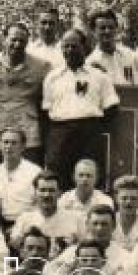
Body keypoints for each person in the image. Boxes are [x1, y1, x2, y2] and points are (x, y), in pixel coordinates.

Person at [41, 29, 120, 183]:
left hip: (89, 134)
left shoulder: (99, 76)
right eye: (66, 46)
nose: (69, 50)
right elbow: (46, 111)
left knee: (88, 177)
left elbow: (112, 108)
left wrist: (92, 127)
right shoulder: (52, 77)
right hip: (60, 133)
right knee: (58, 177)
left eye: (74, 46)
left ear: (85, 48)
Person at [0, 22, 49, 165]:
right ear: (4, 39)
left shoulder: (41, 66)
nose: (17, 44)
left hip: (27, 127)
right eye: (13, 40)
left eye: (22, 41)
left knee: (30, 170)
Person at [0, 127, 42, 231]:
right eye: (5, 142)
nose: (9, 147)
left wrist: (25, 225)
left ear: (22, 147)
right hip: (3, 225)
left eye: (14, 143)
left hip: (30, 225)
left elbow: (41, 204)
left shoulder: (35, 172)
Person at [86, 9, 138, 86]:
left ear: (116, 29)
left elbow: (137, 84)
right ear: (93, 31)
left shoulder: (128, 54)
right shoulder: (90, 63)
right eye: (102, 28)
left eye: (111, 27)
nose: (107, 31)